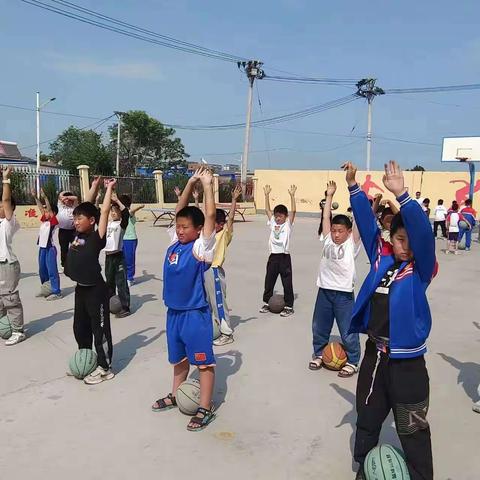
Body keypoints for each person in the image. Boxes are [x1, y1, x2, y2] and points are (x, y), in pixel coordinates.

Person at [345, 161, 435, 480]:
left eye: (410, 241)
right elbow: (368, 229)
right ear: (391, 237)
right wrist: (354, 187)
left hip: (407, 365)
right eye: (399, 239)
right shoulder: (382, 262)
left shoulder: (420, 269)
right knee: (367, 419)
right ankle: (365, 470)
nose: (405, 247)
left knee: (412, 428)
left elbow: (423, 236)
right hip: (375, 357)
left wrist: (403, 196)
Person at [152, 166, 217, 432]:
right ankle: (175, 393)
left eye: (185, 227)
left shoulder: (201, 247)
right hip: (174, 313)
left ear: (199, 229)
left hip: (195, 314)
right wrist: (190, 183)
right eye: (178, 226)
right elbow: (180, 208)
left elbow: (210, 214)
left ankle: (205, 406)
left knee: (203, 362)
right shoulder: (175, 243)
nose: (179, 230)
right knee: (179, 360)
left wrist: (208, 185)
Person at [65, 176, 115, 385]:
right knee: (79, 327)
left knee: (99, 330)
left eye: (80, 219)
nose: (76, 221)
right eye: (75, 218)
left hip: (96, 291)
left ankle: (105, 367)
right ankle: (85, 359)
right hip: (81, 289)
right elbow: (86, 205)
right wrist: (93, 187)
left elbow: (101, 212)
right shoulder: (78, 236)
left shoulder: (96, 237)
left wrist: (109, 189)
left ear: (91, 221)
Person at [309, 180, 361, 377]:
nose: (337, 234)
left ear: (348, 232)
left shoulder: (352, 244)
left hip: (344, 294)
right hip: (324, 289)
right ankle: (319, 353)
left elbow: (360, 223)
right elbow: (325, 217)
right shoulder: (328, 238)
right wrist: (329, 195)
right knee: (319, 326)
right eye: (334, 230)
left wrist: (357, 197)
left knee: (347, 329)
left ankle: (354, 360)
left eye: (341, 231)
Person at [204, 184, 242, 347]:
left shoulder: (224, 235)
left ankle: (227, 333)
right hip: (203, 271)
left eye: (214, 222)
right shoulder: (207, 234)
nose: (211, 224)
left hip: (214, 272)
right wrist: (201, 197)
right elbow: (204, 213)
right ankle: (210, 328)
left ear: (220, 224)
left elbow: (231, 219)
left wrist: (234, 200)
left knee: (218, 302)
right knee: (206, 302)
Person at [260, 184, 297, 317]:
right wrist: (266, 195)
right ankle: (266, 301)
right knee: (269, 280)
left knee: (287, 282)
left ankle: (289, 305)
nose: (277, 218)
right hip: (273, 256)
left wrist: (292, 196)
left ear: (285, 216)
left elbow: (293, 211)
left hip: (284, 257)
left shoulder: (288, 225)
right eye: (276, 216)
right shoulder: (273, 223)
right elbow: (267, 210)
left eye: (280, 216)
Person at [0, 167, 25, 346]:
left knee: (10, 300)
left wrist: (6, 180)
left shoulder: (10, 223)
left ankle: (17, 331)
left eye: (2, 204)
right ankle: (4, 326)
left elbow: (7, 199)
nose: (0, 205)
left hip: (7, 265)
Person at [32, 188, 62, 300]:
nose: (45, 212)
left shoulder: (54, 221)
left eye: (48, 211)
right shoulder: (45, 220)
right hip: (42, 248)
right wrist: (35, 197)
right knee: (42, 269)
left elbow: (48, 208)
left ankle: (56, 291)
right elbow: (41, 208)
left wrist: (45, 197)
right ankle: (46, 288)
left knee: (52, 270)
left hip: (50, 248)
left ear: (53, 213)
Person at [104, 192, 131, 317]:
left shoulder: (122, 225)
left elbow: (125, 214)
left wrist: (117, 201)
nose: (113, 213)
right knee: (109, 283)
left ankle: (125, 307)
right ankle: (110, 305)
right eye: (112, 211)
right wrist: (100, 198)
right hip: (108, 257)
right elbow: (100, 214)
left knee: (121, 282)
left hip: (118, 256)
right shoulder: (108, 224)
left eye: (116, 211)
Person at [119, 194, 145, 286]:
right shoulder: (120, 214)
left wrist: (139, 207)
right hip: (121, 239)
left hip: (130, 240)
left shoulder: (129, 214)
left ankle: (130, 278)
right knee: (122, 260)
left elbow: (131, 211)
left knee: (130, 259)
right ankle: (124, 276)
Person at [57, 190, 79, 271]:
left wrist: (68, 196)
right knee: (64, 249)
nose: (67, 201)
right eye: (66, 200)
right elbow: (60, 195)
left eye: (69, 199)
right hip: (63, 231)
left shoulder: (75, 207)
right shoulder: (61, 206)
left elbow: (76, 198)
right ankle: (64, 265)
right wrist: (65, 195)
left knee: (76, 247)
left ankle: (75, 263)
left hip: (73, 231)